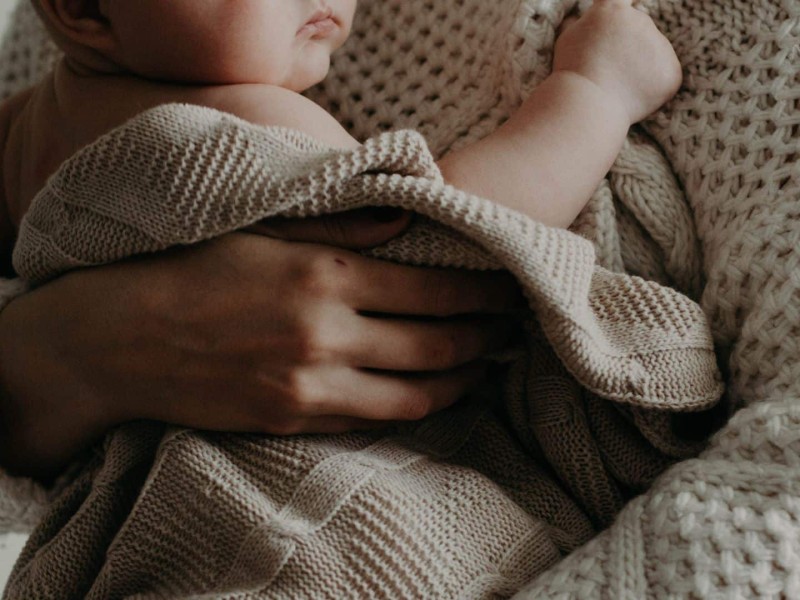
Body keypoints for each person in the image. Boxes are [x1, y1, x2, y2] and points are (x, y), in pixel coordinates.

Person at [0, 0, 680, 478]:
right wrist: (595, 92)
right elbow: (449, 233)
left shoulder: (29, 126)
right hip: (292, 470)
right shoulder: (238, 119)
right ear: (86, 10)